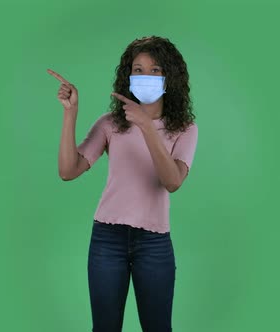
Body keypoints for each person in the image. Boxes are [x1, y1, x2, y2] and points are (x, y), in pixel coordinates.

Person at [48, 35, 198, 332]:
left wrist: (146, 126)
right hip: (107, 240)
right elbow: (68, 170)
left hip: (154, 243)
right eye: (138, 69)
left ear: (171, 77)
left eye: (155, 70)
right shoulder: (110, 124)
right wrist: (70, 113)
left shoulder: (185, 129)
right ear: (127, 76)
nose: (145, 76)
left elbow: (172, 181)